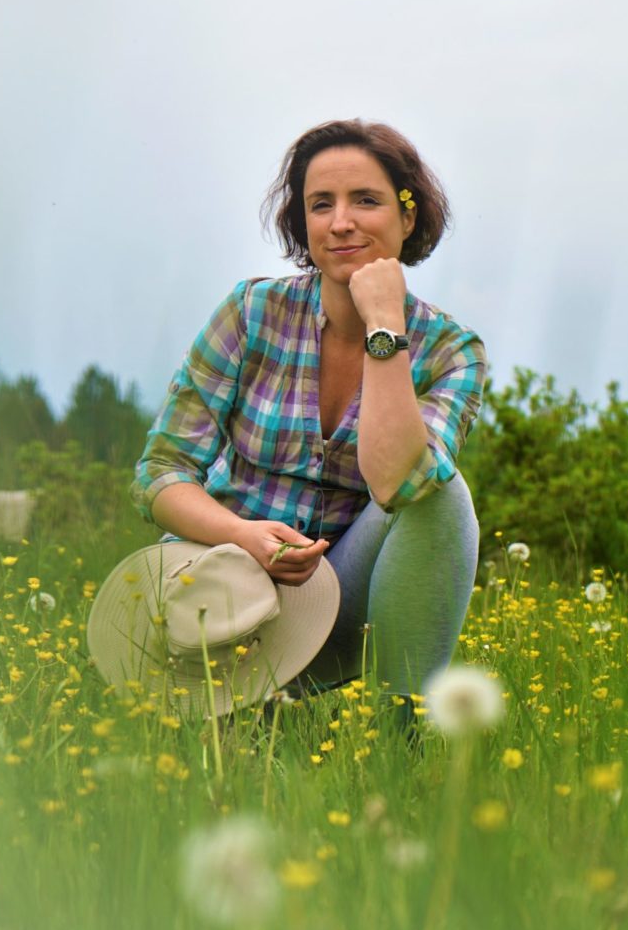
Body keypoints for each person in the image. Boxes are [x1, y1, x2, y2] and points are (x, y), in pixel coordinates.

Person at [125, 118, 485, 711]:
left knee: (441, 493)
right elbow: (160, 474)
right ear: (304, 222)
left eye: (365, 200)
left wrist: (385, 328)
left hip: (337, 604)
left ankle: (404, 732)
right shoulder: (251, 312)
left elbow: (399, 484)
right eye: (321, 204)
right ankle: (233, 699)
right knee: (224, 740)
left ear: (408, 216)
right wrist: (243, 536)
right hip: (220, 586)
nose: (340, 222)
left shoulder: (451, 351)